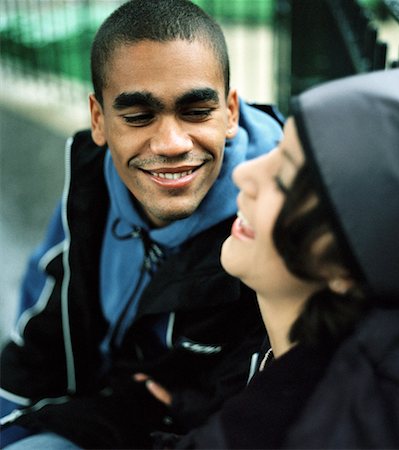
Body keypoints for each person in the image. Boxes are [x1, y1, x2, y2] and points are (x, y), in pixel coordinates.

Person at [0, 0, 283, 448]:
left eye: (195, 111)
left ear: (230, 111)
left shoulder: (276, 219)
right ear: (99, 119)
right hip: (96, 405)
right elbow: (43, 321)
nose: (171, 143)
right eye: (137, 117)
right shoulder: (91, 182)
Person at [148, 67, 399, 449]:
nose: (245, 174)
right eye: (277, 151)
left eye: (284, 178)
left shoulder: (334, 423)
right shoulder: (324, 353)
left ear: (349, 265)